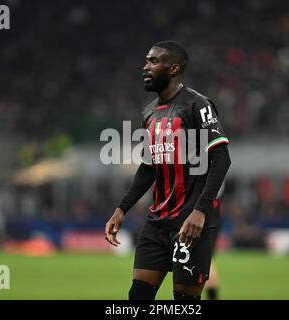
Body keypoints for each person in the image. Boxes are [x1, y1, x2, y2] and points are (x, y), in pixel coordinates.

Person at [105, 41, 231, 300]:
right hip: (157, 222)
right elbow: (149, 168)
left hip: (190, 222)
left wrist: (200, 211)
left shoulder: (198, 105)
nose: (145, 67)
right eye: (146, 61)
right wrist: (121, 208)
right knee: (138, 297)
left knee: (184, 301)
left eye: (153, 61)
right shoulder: (149, 112)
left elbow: (221, 158)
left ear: (173, 69)